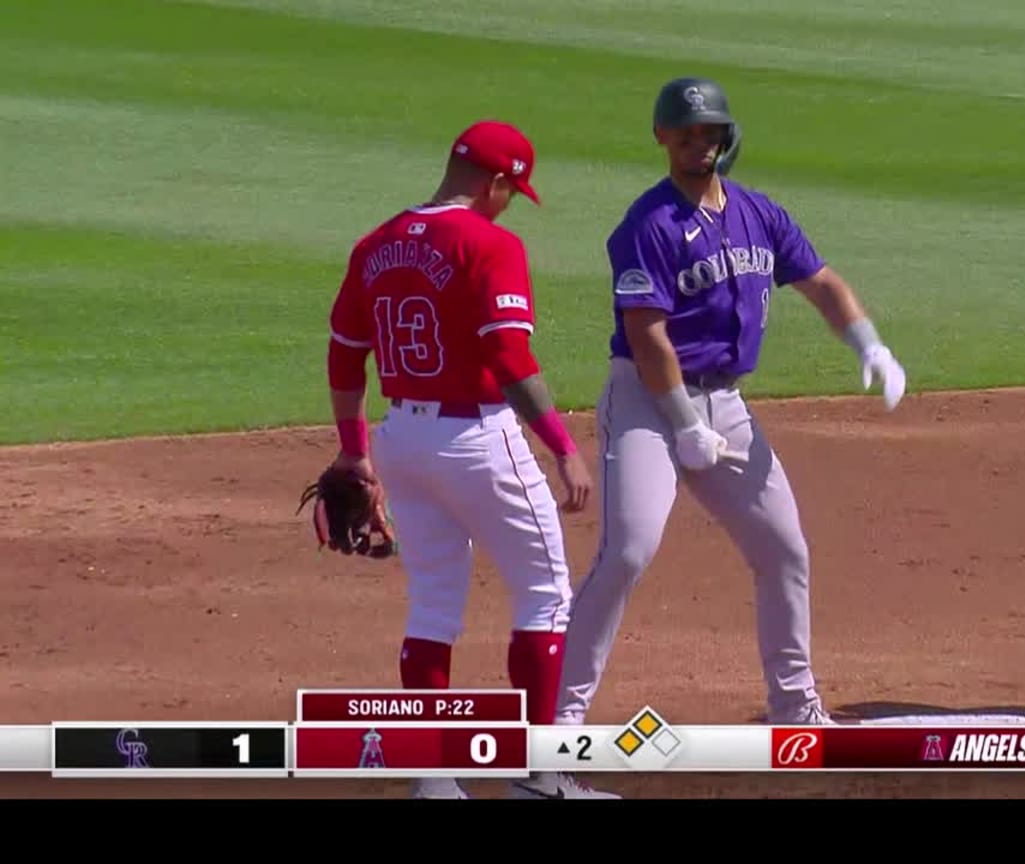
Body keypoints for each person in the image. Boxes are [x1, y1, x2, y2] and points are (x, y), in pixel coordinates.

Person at [552, 77, 907, 728]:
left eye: (708, 132)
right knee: (628, 552)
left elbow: (820, 281)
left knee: (784, 552)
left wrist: (869, 345)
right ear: (662, 137)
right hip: (647, 404)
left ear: (724, 134)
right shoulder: (647, 225)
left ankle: (796, 711)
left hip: (727, 405)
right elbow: (646, 333)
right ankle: (560, 726)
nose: (698, 144)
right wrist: (685, 426)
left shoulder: (758, 213)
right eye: (684, 134)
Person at [323, 119, 619, 797]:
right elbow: (509, 357)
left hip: (400, 440)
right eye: (513, 192)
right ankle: (539, 775)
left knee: (432, 606)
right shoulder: (489, 243)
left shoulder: (376, 243)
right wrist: (564, 447)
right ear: (497, 183)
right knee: (545, 597)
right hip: (478, 441)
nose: (511, 204)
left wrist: (353, 453)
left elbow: (345, 352)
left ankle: (433, 780)